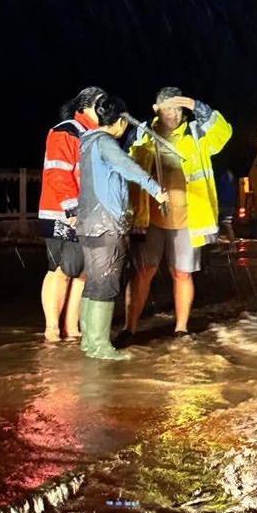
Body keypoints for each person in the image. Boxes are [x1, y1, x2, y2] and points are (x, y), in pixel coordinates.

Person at [124, 88, 233, 336]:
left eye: (178, 108)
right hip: (149, 220)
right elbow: (124, 166)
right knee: (144, 272)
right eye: (167, 107)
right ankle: (129, 328)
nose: (173, 113)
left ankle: (181, 329)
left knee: (182, 273)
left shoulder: (197, 133)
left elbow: (224, 131)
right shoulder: (141, 133)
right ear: (156, 109)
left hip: (188, 220)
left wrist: (195, 104)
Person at [77, 95, 168, 359]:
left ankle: (89, 343)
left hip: (88, 224)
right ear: (118, 122)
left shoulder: (88, 142)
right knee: (105, 285)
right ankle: (101, 346)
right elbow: (127, 166)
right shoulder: (105, 143)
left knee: (94, 283)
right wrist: (155, 189)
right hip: (106, 224)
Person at [38, 86, 104, 342]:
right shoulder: (67, 130)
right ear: (86, 107)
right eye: (101, 104)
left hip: (85, 214)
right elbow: (57, 171)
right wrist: (73, 208)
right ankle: (52, 330)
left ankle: (72, 329)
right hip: (61, 212)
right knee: (60, 270)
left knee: (82, 271)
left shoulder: (93, 135)